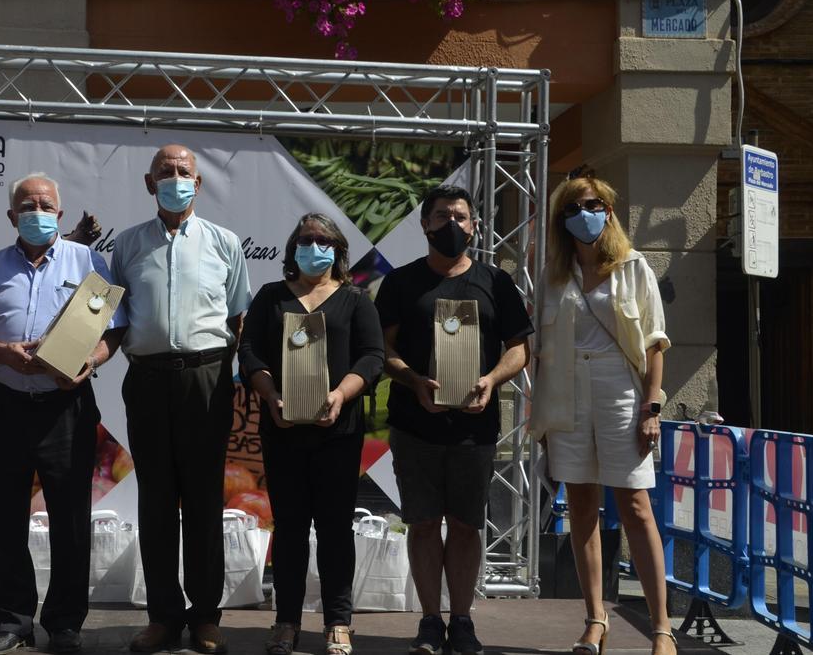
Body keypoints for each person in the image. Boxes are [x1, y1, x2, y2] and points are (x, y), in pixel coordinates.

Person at [0, 173, 125, 655]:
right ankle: (12, 621)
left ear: (60, 212)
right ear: (12, 217)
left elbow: (113, 331)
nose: (37, 213)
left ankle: (66, 623)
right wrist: (4, 352)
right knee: (5, 514)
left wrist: (88, 363)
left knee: (70, 518)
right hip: (8, 402)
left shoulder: (89, 261)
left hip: (66, 406)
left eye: (46, 205)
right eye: (27, 206)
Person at [375, 184, 532, 655]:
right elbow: (382, 349)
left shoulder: (496, 282)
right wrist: (413, 380)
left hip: (474, 428)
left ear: (475, 226)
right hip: (414, 424)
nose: (452, 225)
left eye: (461, 217)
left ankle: (461, 620)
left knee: (465, 526)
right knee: (423, 524)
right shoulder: (401, 282)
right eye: (442, 216)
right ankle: (428, 620)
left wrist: (490, 379)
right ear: (424, 224)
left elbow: (520, 349)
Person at [110, 144, 250, 654]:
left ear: (199, 182)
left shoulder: (224, 243)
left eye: (184, 172)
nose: (175, 179)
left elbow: (239, 319)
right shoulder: (125, 246)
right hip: (146, 381)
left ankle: (206, 616)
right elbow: (110, 319)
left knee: (204, 499)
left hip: (206, 381)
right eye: (165, 173)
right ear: (150, 184)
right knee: (156, 502)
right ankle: (164, 617)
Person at [530, 171, 674, 655]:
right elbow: (543, 351)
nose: (582, 215)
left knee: (635, 506)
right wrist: (544, 417)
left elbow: (655, 342)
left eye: (591, 205)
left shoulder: (633, 267)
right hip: (566, 392)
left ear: (608, 210)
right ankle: (595, 619)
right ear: (560, 220)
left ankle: (661, 629)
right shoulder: (552, 273)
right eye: (571, 209)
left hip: (620, 388)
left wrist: (652, 406)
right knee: (581, 507)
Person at [238, 213, 384, 655]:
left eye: (323, 240)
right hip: (282, 430)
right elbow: (248, 352)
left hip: (338, 432)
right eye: (305, 239)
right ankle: (286, 621)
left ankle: (338, 621)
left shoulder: (356, 299)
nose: (313, 246)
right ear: (292, 248)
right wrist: (269, 395)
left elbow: (372, 357)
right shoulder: (271, 297)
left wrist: (341, 394)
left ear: (338, 250)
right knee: (290, 530)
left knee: (337, 529)